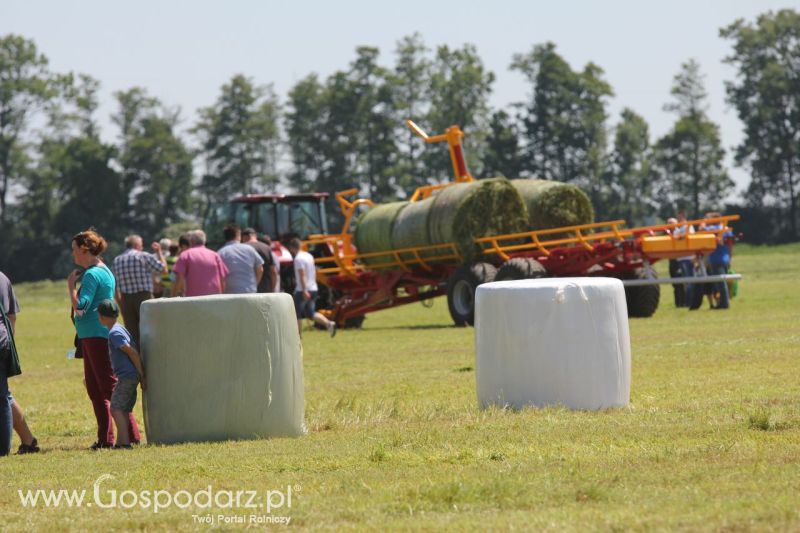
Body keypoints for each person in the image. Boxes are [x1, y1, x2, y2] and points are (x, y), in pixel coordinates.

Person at [68, 229, 141, 449]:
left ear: (84, 249)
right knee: (94, 387)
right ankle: (105, 438)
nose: (72, 255)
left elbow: (81, 308)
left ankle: (130, 435)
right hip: (92, 335)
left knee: (108, 387)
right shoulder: (105, 270)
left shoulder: (91, 274)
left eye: (74, 250)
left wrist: (70, 287)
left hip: (95, 336)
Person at [97, 300, 145, 449]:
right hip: (129, 376)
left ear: (103, 317)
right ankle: (122, 442)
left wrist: (142, 374)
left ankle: (124, 443)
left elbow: (132, 352)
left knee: (116, 408)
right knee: (122, 409)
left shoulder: (114, 333)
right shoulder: (120, 328)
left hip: (127, 376)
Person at [1, 271, 39, 456]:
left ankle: (3, 449)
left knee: (2, 396)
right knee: (4, 394)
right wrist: (9, 341)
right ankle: (28, 440)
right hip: (4, 340)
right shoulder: (3, 277)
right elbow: (12, 316)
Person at [112, 235, 167, 348]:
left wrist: (121, 304)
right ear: (136, 245)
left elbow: (115, 286)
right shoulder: (143, 256)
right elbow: (164, 270)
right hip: (144, 297)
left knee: (132, 335)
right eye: (141, 245)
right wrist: (159, 252)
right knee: (150, 331)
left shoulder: (117, 260)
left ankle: (136, 362)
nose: (142, 247)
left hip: (126, 299)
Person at [286, 238, 335, 338]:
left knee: (297, 313)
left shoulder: (298, 259)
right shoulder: (309, 256)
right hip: (313, 288)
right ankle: (329, 324)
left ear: (291, 248)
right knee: (310, 313)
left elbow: (302, 274)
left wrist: (304, 290)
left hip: (303, 289)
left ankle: (298, 336)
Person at [172, 230, 229, 297]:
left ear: (191, 241)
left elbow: (179, 277)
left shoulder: (185, 255)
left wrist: (174, 296)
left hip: (193, 301)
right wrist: (221, 296)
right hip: (214, 300)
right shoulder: (215, 255)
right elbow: (222, 278)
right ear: (204, 241)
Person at [218, 225, 264, 294]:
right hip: (249, 292)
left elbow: (220, 277)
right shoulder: (249, 249)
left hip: (229, 295)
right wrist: (254, 285)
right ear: (238, 235)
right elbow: (260, 269)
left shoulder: (220, 253)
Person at [241, 227, 277, 293]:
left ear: (244, 237)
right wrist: (273, 288)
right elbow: (273, 271)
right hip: (266, 288)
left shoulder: (242, 248)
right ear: (255, 236)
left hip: (248, 289)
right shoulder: (266, 247)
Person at [672, 211, 696, 307]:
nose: (678, 219)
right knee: (687, 282)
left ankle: (691, 301)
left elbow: (690, 237)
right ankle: (688, 301)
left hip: (689, 257)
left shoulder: (689, 226)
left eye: (680, 217)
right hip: (682, 258)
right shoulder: (677, 230)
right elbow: (675, 238)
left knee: (691, 281)